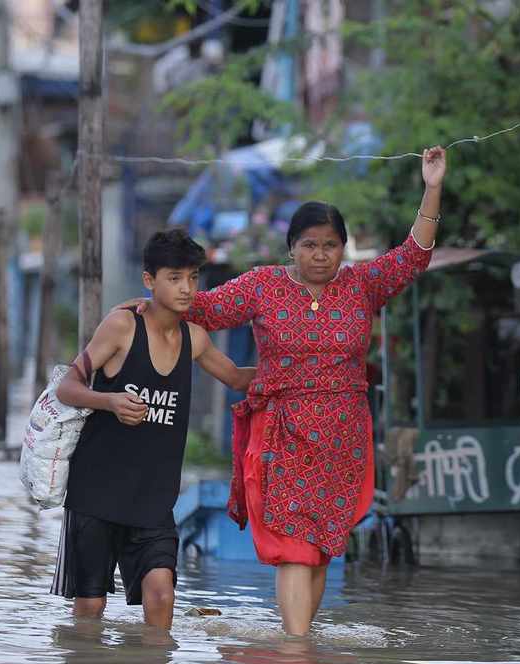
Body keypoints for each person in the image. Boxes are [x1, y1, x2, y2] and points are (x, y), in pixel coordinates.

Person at [118, 146, 447, 635]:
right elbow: (201, 308)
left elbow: (413, 256)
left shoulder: (362, 286)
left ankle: (298, 654)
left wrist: (432, 186)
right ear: (291, 247)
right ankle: (296, 655)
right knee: (293, 547)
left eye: (330, 245)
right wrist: (148, 304)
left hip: (342, 437)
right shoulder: (262, 286)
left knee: (318, 552)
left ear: (342, 249)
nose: (320, 255)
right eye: (310, 245)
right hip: (283, 433)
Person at [51, 229, 256, 629]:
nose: (186, 288)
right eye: (175, 278)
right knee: (90, 609)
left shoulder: (194, 339)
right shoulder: (121, 326)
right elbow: (68, 386)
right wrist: (109, 401)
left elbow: (235, 378)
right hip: (97, 492)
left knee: (162, 594)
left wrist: (306, 370)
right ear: (150, 280)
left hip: (153, 500)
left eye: (193, 278)